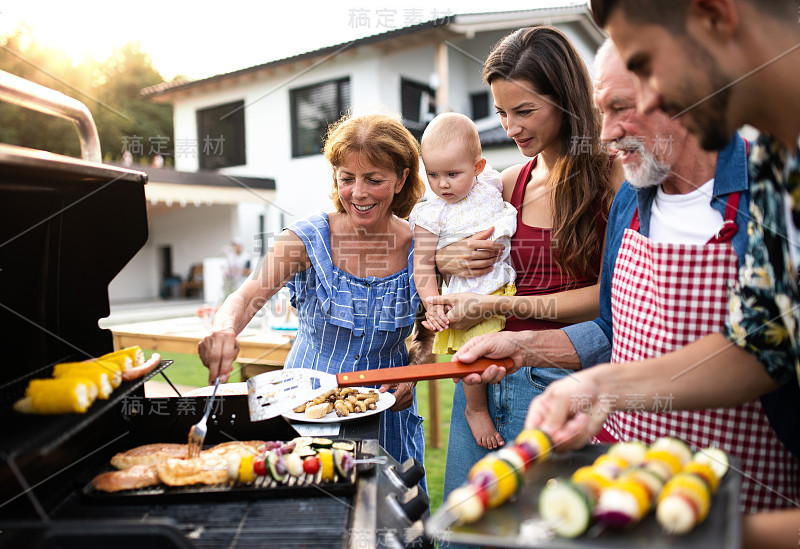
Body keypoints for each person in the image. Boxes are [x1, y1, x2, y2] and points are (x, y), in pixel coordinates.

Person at [465, 1, 800, 544]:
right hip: (635, 489)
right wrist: (531, 350)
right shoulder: (634, 202)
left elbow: (763, 352)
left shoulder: (765, 182)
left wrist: (723, 530)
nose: (605, 134)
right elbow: (625, 334)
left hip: (752, 494)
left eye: (628, 99)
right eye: (605, 110)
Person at [435, 28, 620, 543]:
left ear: (565, 99)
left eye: (524, 110)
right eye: (500, 112)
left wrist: (520, 308)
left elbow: (611, 298)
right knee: (464, 534)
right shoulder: (509, 182)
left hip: (556, 384)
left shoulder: (611, 176)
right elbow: (437, 236)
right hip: (484, 381)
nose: (510, 127)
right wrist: (450, 257)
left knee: (544, 532)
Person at [198, 113, 432, 485]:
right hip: (305, 411)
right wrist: (224, 330)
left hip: (388, 417)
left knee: (392, 529)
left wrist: (414, 373)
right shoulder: (307, 238)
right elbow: (244, 297)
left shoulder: (422, 245)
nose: (358, 193)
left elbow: (428, 333)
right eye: (347, 178)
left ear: (402, 178)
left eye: (374, 179)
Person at [409, 112, 518, 449]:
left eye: (453, 174)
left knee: (501, 357)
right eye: (433, 175)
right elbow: (423, 265)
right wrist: (432, 302)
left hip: (504, 285)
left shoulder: (492, 184)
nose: (442, 185)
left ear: (479, 167)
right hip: (467, 293)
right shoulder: (431, 212)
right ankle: (475, 408)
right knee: (471, 353)